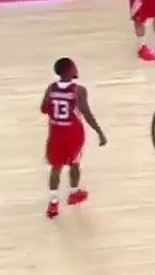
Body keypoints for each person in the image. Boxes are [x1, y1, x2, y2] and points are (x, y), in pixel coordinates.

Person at [41, 57, 106, 218]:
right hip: (73, 133)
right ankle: (74, 193)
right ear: (69, 71)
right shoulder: (79, 91)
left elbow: (44, 108)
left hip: (55, 133)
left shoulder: (51, 88)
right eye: (74, 67)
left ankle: (53, 203)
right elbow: (86, 113)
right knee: (74, 163)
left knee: (55, 167)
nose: (77, 69)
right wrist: (99, 131)